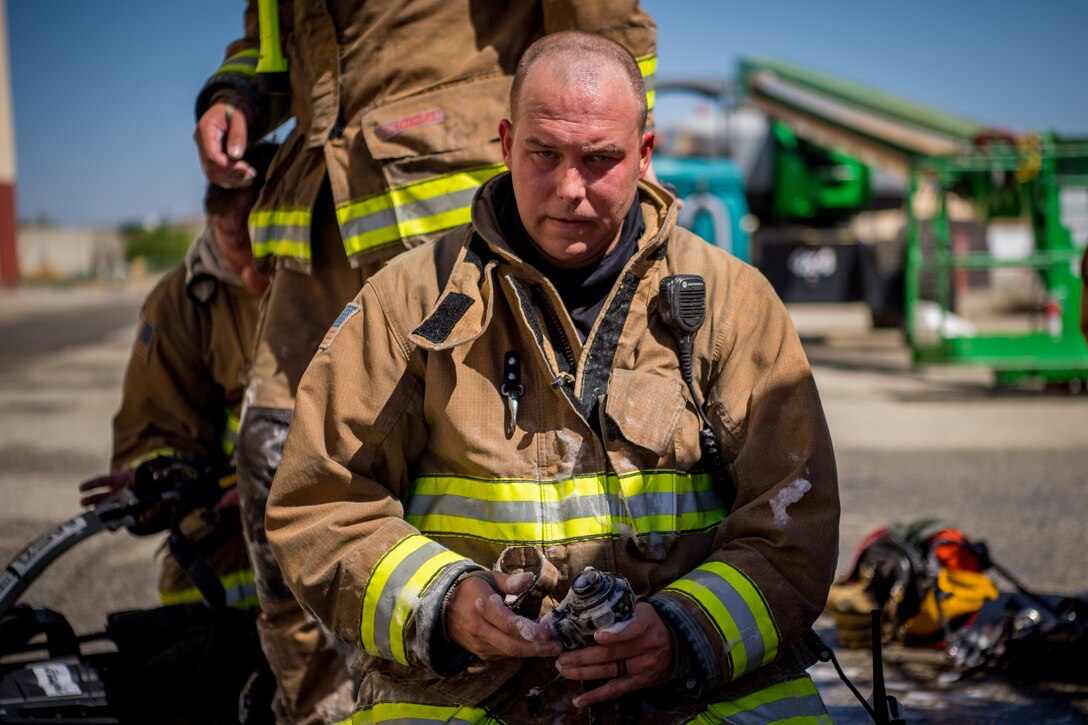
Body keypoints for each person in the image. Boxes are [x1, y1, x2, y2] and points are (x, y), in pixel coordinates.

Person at [267, 31, 840, 724]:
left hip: (693, 692)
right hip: (469, 693)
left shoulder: (733, 303)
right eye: (544, 155)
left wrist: (686, 630)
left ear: (645, 155)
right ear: (506, 144)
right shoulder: (407, 303)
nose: (571, 189)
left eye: (602, 159)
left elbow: (793, 526)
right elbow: (319, 503)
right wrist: (442, 603)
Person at [193, 4, 656, 723]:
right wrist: (237, 96)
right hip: (321, 216)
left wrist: (615, 186)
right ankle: (319, 707)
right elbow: (273, 44)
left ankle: (502, 678)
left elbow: (606, 37)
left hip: (454, 211)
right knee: (276, 459)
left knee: (486, 468)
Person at [78, 143, 277, 615]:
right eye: (236, 246)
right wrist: (160, 477)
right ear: (212, 222)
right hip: (225, 549)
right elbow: (156, 424)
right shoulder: (177, 304)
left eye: (265, 251)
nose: (252, 275)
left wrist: (276, 482)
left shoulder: (332, 283)